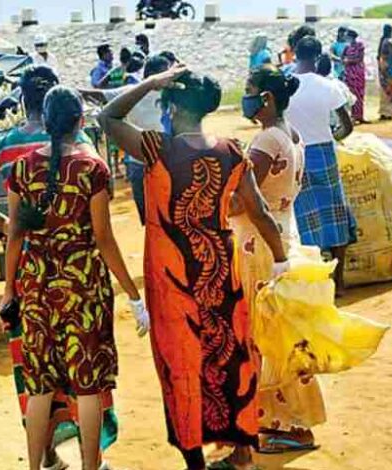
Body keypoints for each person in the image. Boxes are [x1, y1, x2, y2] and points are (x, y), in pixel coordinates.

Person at [98, 67, 289, 470]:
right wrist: (281, 260)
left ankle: (195, 462)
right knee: (231, 357)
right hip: (220, 273)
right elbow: (259, 210)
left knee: (180, 363)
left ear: (171, 106)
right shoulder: (232, 151)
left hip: (173, 279)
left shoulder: (157, 149)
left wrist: (150, 82)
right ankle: (241, 453)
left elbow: (107, 117)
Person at [0, 65, 120, 470]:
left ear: (24, 100)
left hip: (29, 274)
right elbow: (104, 203)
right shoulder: (79, 142)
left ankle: (45, 457)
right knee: (85, 372)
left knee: (36, 373)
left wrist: (7, 225)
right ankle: (92, 460)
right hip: (79, 274)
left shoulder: (7, 145)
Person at [2, 86, 147, 470]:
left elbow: (14, 234)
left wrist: (8, 291)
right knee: (88, 385)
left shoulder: (21, 169)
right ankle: (90, 466)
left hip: (35, 286)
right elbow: (104, 238)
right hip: (83, 288)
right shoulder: (92, 168)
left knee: (39, 387)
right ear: (80, 121)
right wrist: (133, 295)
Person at [230, 65, 328, 454]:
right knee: (279, 333)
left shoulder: (266, 141)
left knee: (262, 336)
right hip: (283, 235)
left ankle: (286, 423)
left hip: (259, 244)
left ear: (266, 98)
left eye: (250, 90)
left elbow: (243, 202)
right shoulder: (292, 134)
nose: (246, 97)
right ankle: (277, 419)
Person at [286, 37, 356, 291]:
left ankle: (314, 281)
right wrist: (334, 137)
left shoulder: (286, 86)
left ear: (295, 54)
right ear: (318, 57)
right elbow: (347, 125)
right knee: (335, 213)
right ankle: (339, 281)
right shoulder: (328, 86)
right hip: (324, 152)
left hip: (296, 153)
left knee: (305, 217)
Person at [79, 55, 172, 225]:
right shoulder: (131, 93)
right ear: (154, 74)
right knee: (147, 218)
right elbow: (100, 95)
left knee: (168, 214)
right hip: (139, 163)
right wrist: (74, 92)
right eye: (165, 73)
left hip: (164, 161)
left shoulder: (171, 94)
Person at [342, 29, 367, 124]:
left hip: (358, 72)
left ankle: (359, 115)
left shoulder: (360, 45)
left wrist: (349, 61)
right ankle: (353, 115)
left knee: (359, 93)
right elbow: (342, 57)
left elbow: (360, 58)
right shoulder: (347, 47)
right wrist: (345, 61)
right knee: (351, 94)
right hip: (350, 73)